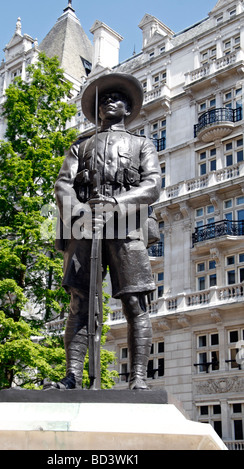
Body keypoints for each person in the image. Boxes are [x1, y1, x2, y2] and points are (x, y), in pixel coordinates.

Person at [52, 73, 161, 390]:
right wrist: (81, 210)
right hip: (86, 228)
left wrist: (115, 202)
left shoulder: (142, 145)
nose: (107, 103)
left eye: (116, 99)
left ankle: (138, 378)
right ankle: (72, 375)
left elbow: (152, 185)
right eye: (103, 100)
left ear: (127, 108)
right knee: (80, 303)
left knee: (136, 304)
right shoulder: (80, 147)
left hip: (127, 226)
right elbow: (63, 185)